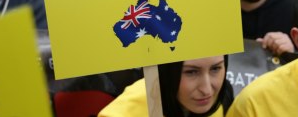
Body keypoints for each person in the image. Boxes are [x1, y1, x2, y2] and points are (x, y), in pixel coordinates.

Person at [98, 55, 233, 117]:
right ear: (167, 71)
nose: (207, 90)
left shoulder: (220, 100)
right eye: (191, 72)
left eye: (215, 69)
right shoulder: (121, 115)